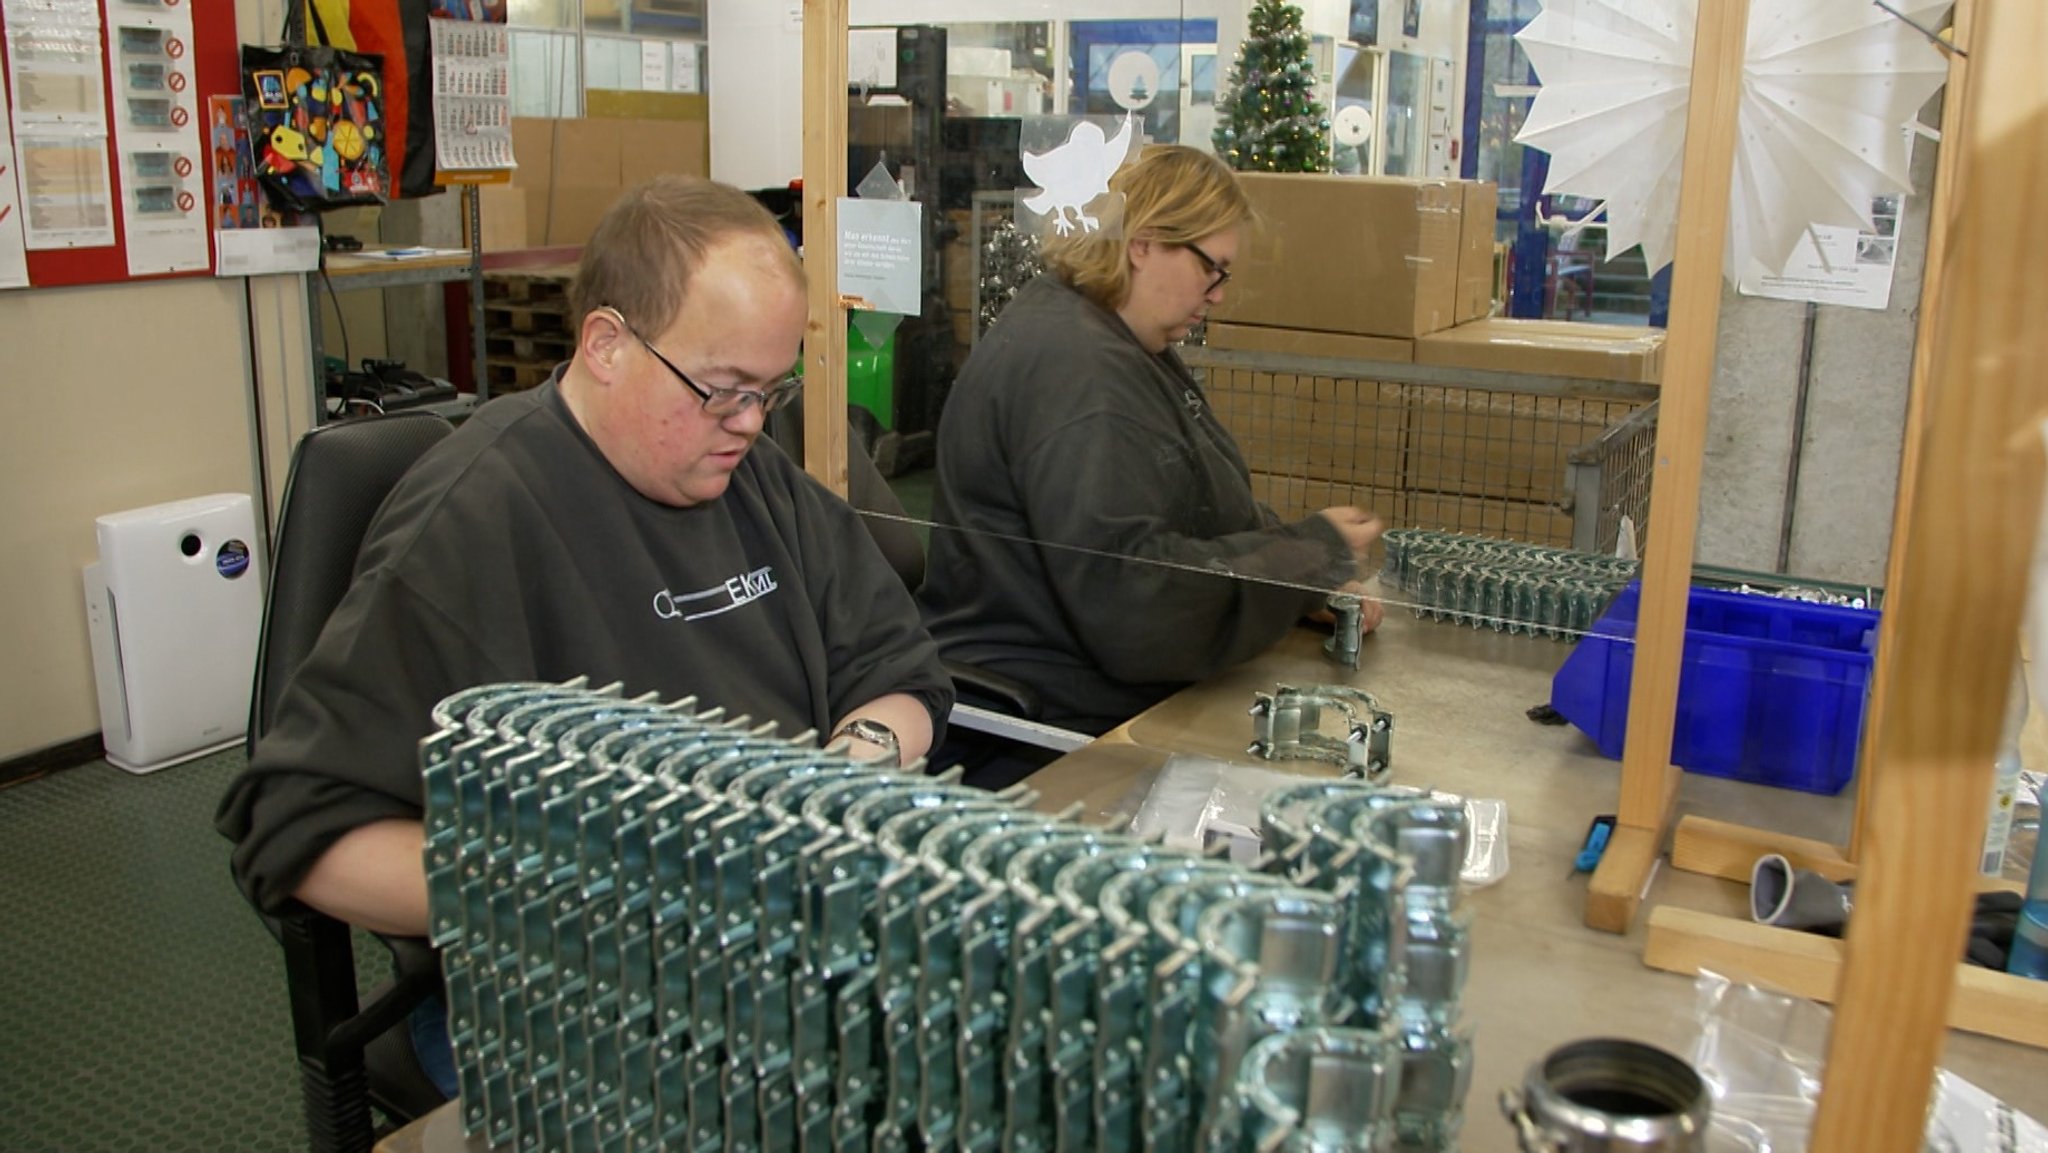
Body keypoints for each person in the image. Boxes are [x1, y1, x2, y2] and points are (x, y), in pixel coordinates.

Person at [217, 175, 952, 1095]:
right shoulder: (477, 518)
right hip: (575, 1001)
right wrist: (590, 887)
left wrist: (850, 769)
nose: (753, 424)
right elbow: (298, 827)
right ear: (607, 344)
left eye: (770, 391)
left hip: (778, 949)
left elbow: (902, 673)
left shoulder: (752, 477)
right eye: (721, 391)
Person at [917, 145, 1383, 748]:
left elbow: (1198, 506)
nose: (1216, 294)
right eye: (1210, 268)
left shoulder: (1115, 342)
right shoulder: (1079, 373)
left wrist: (1299, 583)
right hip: (1055, 724)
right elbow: (1136, 601)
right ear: (1142, 243)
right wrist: (1310, 555)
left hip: (1088, 687)